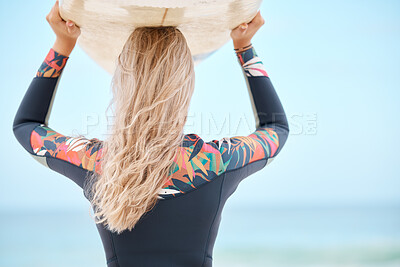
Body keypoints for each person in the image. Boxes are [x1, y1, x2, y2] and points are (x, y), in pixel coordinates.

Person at [12, 1, 289, 266]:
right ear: (186, 85)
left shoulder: (99, 163)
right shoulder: (215, 162)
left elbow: (26, 125)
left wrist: (63, 45)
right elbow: (276, 129)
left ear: (123, 80)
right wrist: (244, 47)